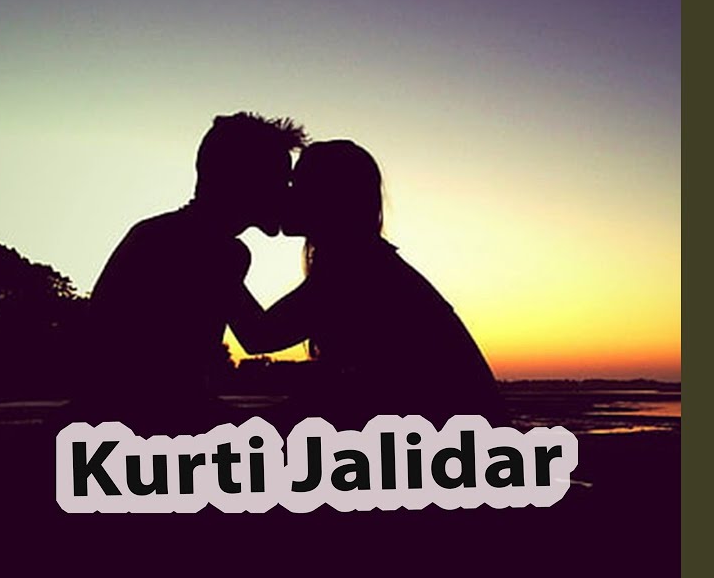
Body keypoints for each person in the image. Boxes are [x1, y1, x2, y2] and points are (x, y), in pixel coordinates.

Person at [229, 140, 505, 429]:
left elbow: (259, 336)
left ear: (328, 198)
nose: (287, 193)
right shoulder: (368, 262)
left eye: (298, 184)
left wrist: (221, 258)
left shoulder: (355, 270)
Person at [73, 112, 308, 434]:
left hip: (114, 414)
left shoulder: (158, 233)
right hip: (145, 423)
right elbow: (257, 337)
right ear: (246, 183)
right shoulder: (218, 250)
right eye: (280, 179)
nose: (287, 191)